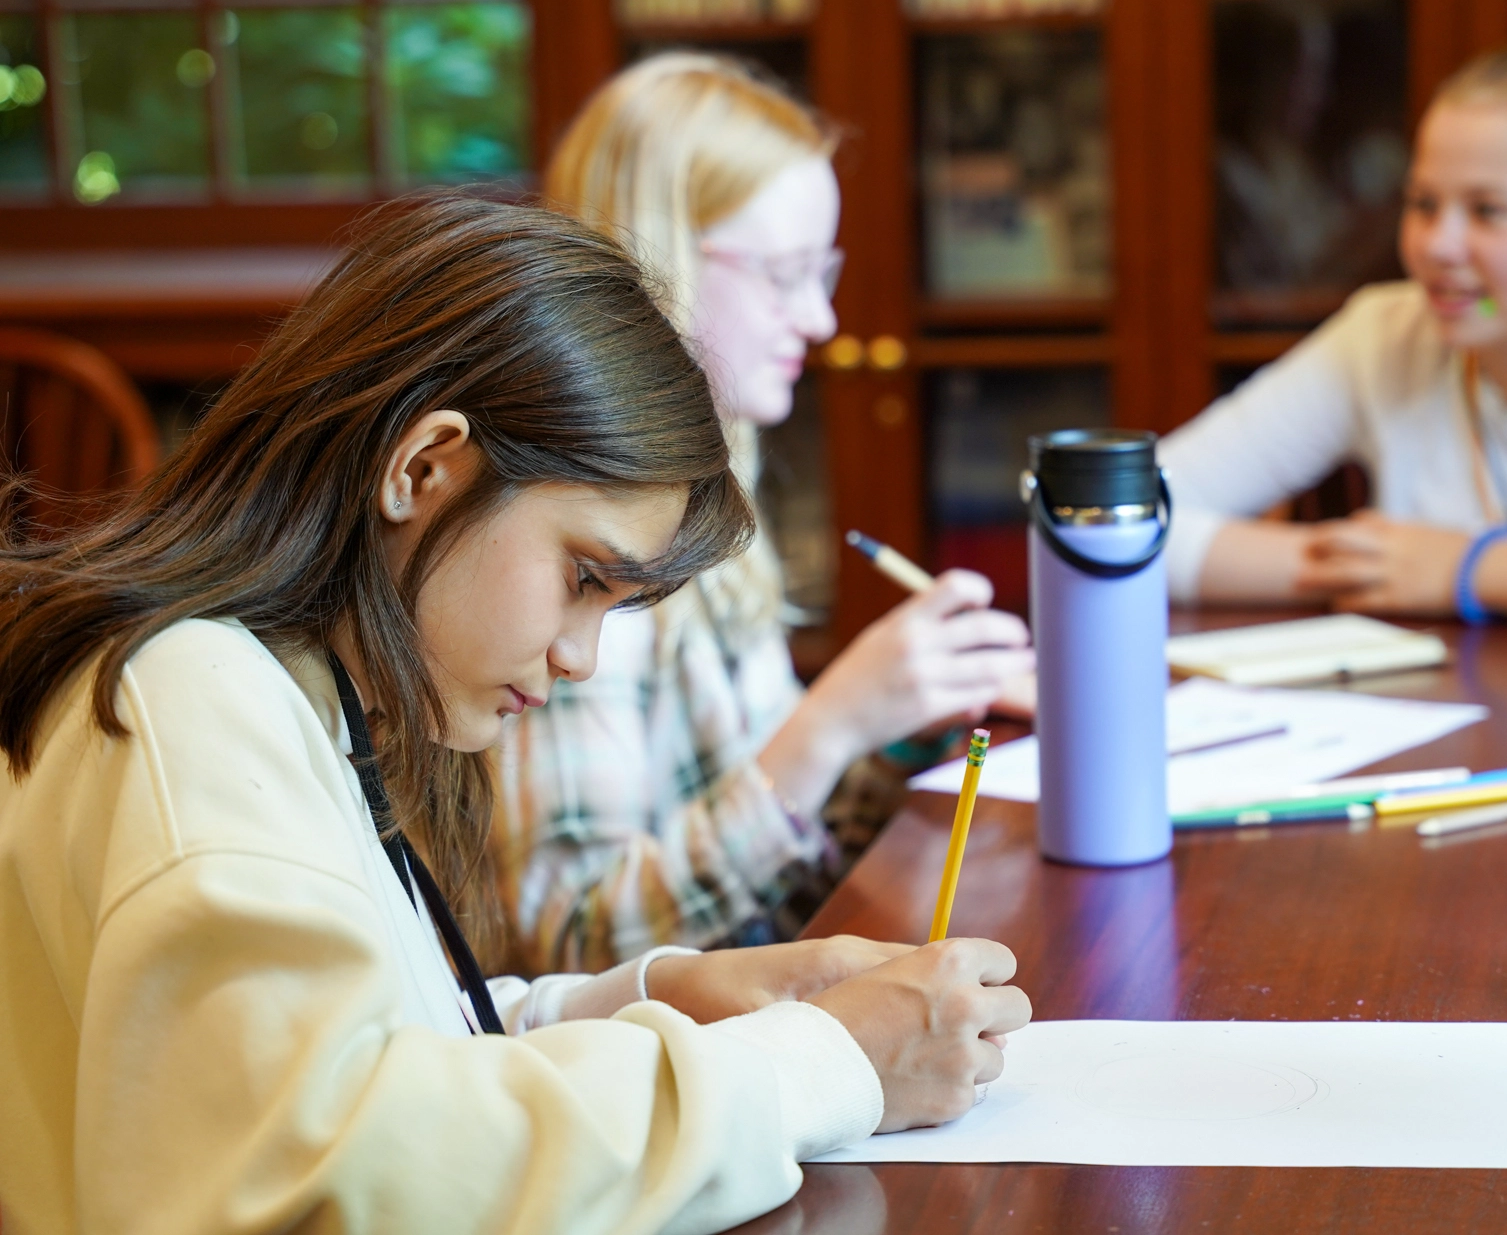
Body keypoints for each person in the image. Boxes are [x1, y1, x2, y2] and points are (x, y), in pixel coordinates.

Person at [0, 196, 1031, 1235]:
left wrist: (662, 995)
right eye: (581, 576)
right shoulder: (188, 704)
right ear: (420, 470)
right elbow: (335, 1173)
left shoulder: (280, 685)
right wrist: (822, 1063)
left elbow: (386, 1057)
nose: (580, 657)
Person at [496, 52, 1035, 974]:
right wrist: (828, 723)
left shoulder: (716, 503)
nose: (821, 320)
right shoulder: (578, 549)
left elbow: (780, 854)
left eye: (821, 271)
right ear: (657, 262)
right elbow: (572, 942)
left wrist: (908, 719)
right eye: (785, 275)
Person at [1160, 38, 1507, 622]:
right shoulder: (1389, 332)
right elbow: (1106, 523)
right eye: (1423, 204)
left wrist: (1468, 570)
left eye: (1488, 211)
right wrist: (1379, 565)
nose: (1436, 246)